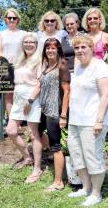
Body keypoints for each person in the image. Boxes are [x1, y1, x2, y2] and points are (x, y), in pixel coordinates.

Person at [67, 35, 108, 206]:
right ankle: (85, 188)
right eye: (77, 48)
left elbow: (106, 95)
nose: (80, 50)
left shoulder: (100, 67)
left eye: (83, 47)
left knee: (92, 157)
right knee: (77, 155)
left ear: (92, 48)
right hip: (76, 120)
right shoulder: (78, 67)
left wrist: (99, 120)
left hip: (93, 121)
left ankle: (96, 193)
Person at [6, 32, 42, 183]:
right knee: (11, 130)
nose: (28, 44)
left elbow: (40, 83)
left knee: (33, 135)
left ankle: (37, 169)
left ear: (36, 44)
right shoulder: (19, 60)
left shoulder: (39, 60)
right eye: (26, 42)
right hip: (18, 97)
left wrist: (31, 100)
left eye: (31, 42)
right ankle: (28, 157)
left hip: (31, 98)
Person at [38, 38, 70, 191]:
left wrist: (63, 115)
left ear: (58, 50)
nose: (50, 51)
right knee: (37, 134)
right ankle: (48, 157)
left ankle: (58, 182)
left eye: (53, 48)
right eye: (47, 48)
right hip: (43, 110)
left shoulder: (61, 65)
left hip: (54, 112)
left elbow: (67, 91)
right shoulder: (46, 66)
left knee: (56, 146)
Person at [0, 8, 26, 117]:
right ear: (5, 19)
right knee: (8, 95)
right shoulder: (1, 34)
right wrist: (6, 64)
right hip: (6, 68)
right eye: (9, 18)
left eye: (14, 18)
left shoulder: (24, 34)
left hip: (21, 67)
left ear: (18, 20)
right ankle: (11, 118)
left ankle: (21, 117)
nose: (12, 20)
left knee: (20, 93)